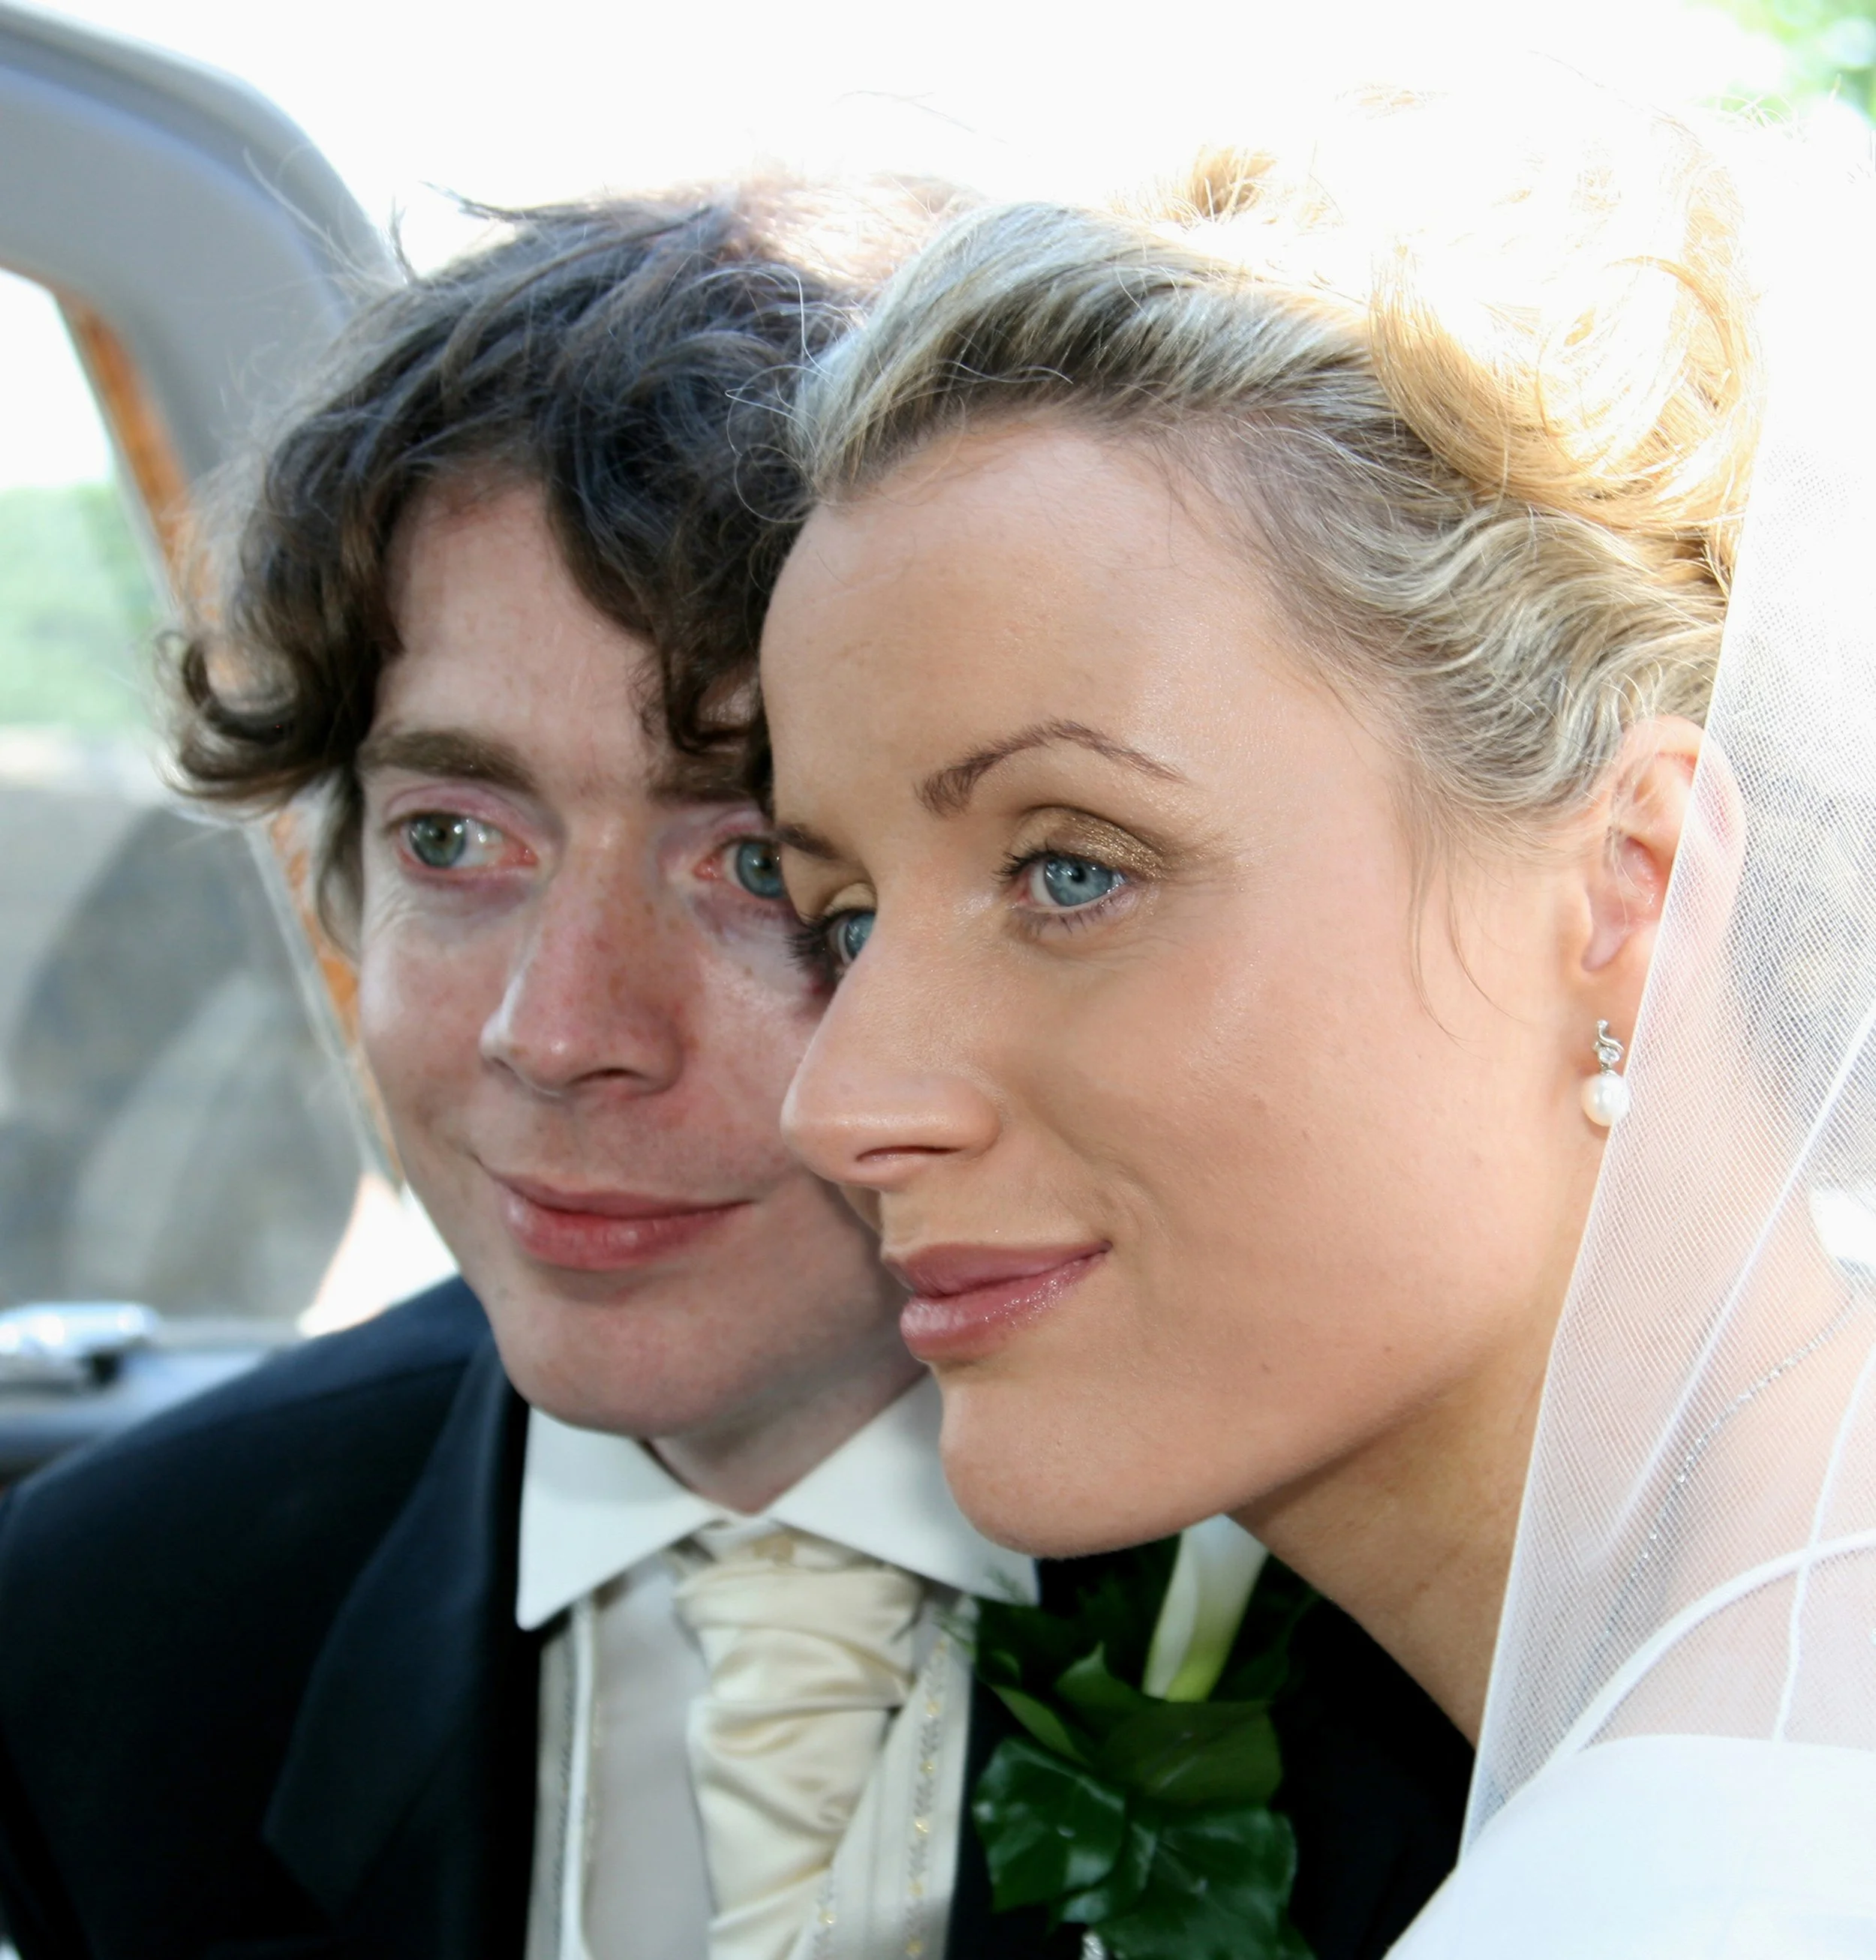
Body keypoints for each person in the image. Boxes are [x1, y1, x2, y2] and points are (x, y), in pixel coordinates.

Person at [0, 182, 1467, 1960]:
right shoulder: (108, 1623)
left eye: (763, 866)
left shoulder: (1429, 1634)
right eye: (455, 835)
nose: (557, 1030)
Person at [759, 86, 1876, 1952]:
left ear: (1636, 886)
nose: (837, 1099)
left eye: (1070, 870)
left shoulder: (1708, 1881)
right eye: (840, 918)